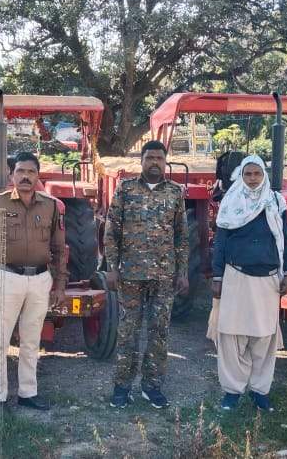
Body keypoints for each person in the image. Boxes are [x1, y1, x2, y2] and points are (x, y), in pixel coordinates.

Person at [0, 151, 68, 410]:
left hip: (40, 280)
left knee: (31, 340)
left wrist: (60, 284)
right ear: (11, 174)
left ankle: (28, 393)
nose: (25, 176)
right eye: (20, 171)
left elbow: (60, 248)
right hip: (7, 278)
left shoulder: (51, 205)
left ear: (38, 175)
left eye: (30, 172)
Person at [104, 140, 189, 409]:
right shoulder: (126, 189)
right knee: (128, 332)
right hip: (130, 274)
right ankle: (122, 387)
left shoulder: (176, 193)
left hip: (164, 276)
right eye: (149, 157)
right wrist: (112, 267)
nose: (154, 162)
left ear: (166, 162)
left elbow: (181, 236)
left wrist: (183, 272)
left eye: (159, 158)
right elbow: (111, 231)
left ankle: (152, 387)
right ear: (141, 161)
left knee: (159, 332)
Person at [209, 156, 287, 413]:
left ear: (264, 175)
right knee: (232, 337)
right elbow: (221, 243)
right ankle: (232, 392)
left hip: (268, 281)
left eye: (257, 173)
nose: (253, 178)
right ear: (241, 176)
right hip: (236, 277)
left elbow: (286, 240)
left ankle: (260, 392)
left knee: (264, 338)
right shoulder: (231, 202)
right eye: (248, 174)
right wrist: (217, 276)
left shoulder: (276, 202)